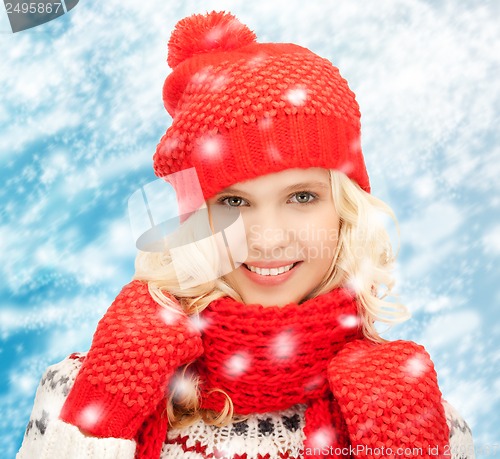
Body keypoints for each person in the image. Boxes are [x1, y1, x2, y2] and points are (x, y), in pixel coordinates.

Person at [17, 10, 475, 459]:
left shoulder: (421, 413)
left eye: (301, 197)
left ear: (345, 211)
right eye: (233, 202)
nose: (269, 239)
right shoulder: (79, 386)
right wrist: (103, 411)